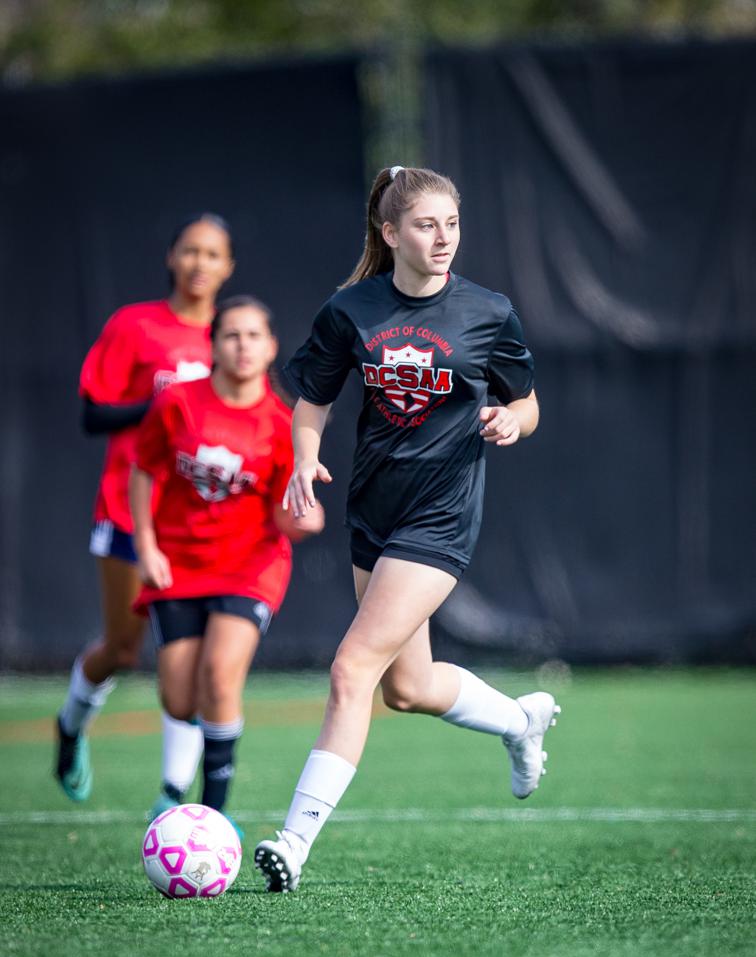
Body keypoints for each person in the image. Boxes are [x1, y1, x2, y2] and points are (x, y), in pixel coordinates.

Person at [254, 165, 560, 893]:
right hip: (373, 510)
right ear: (390, 234)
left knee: (350, 668)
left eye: (452, 223)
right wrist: (303, 460)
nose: (443, 237)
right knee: (407, 687)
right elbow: (312, 403)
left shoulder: (488, 311)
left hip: (441, 515)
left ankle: (293, 844)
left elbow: (530, 403)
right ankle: (520, 724)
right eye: (426, 224)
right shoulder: (351, 310)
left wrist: (510, 420)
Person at [55, 214, 235, 816]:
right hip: (128, 508)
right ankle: (71, 725)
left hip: (195, 523)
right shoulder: (135, 326)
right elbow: (91, 416)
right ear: (172, 257)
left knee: (191, 657)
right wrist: (161, 407)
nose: (199, 263)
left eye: (212, 254)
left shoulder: (232, 336)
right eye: (190, 251)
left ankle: (173, 796)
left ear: (227, 267)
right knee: (123, 648)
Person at [129, 296, 324, 825]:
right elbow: (143, 470)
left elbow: (289, 513)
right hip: (178, 561)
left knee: (219, 676)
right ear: (213, 345)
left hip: (249, 565)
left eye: (254, 336)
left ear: (272, 346)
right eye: (232, 335)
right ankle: (177, 783)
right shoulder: (178, 403)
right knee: (178, 695)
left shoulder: (283, 422)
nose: (243, 346)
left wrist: (304, 518)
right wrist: (145, 548)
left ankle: (210, 815)